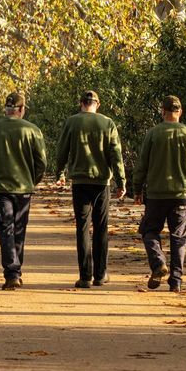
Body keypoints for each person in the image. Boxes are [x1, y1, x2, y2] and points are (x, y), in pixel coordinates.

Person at [133, 94, 186, 293]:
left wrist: (137, 189)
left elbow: (142, 165)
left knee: (149, 231)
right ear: (180, 111)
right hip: (180, 194)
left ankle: (158, 263)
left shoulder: (153, 134)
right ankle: (176, 281)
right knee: (178, 237)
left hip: (156, 194)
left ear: (162, 111)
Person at [53, 89, 125, 288]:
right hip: (102, 183)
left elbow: (62, 151)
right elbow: (116, 154)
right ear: (97, 104)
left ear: (81, 103)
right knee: (101, 228)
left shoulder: (72, 122)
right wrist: (121, 181)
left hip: (80, 182)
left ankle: (85, 276)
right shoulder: (107, 123)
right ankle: (100, 275)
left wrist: (59, 173)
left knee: (82, 228)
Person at [0, 91, 47, 290]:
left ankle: (12, 272)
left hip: (0, 188)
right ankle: (15, 271)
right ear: (22, 109)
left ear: (6, 109)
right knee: (19, 229)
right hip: (24, 187)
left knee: (5, 227)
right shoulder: (32, 130)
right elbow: (41, 162)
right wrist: (32, 180)